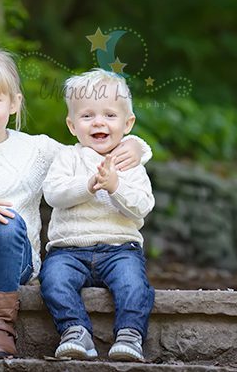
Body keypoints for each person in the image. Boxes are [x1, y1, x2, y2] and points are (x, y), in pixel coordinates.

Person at [0, 50, 150, 359]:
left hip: (13, 262)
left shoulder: (36, 149)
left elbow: (89, 153)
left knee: (8, 223)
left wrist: (135, 147)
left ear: (14, 103)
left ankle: (0, 328)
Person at [40, 69, 156, 362]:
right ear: (71, 125)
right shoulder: (68, 157)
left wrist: (115, 187)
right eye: (87, 116)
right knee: (53, 279)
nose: (99, 122)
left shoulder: (130, 162)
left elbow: (142, 206)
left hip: (120, 249)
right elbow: (53, 194)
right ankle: (75, 330)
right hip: (69, 250)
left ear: (128, 123)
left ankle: (130, 335)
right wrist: (87, 185)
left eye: (109, 115)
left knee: (133, 284)